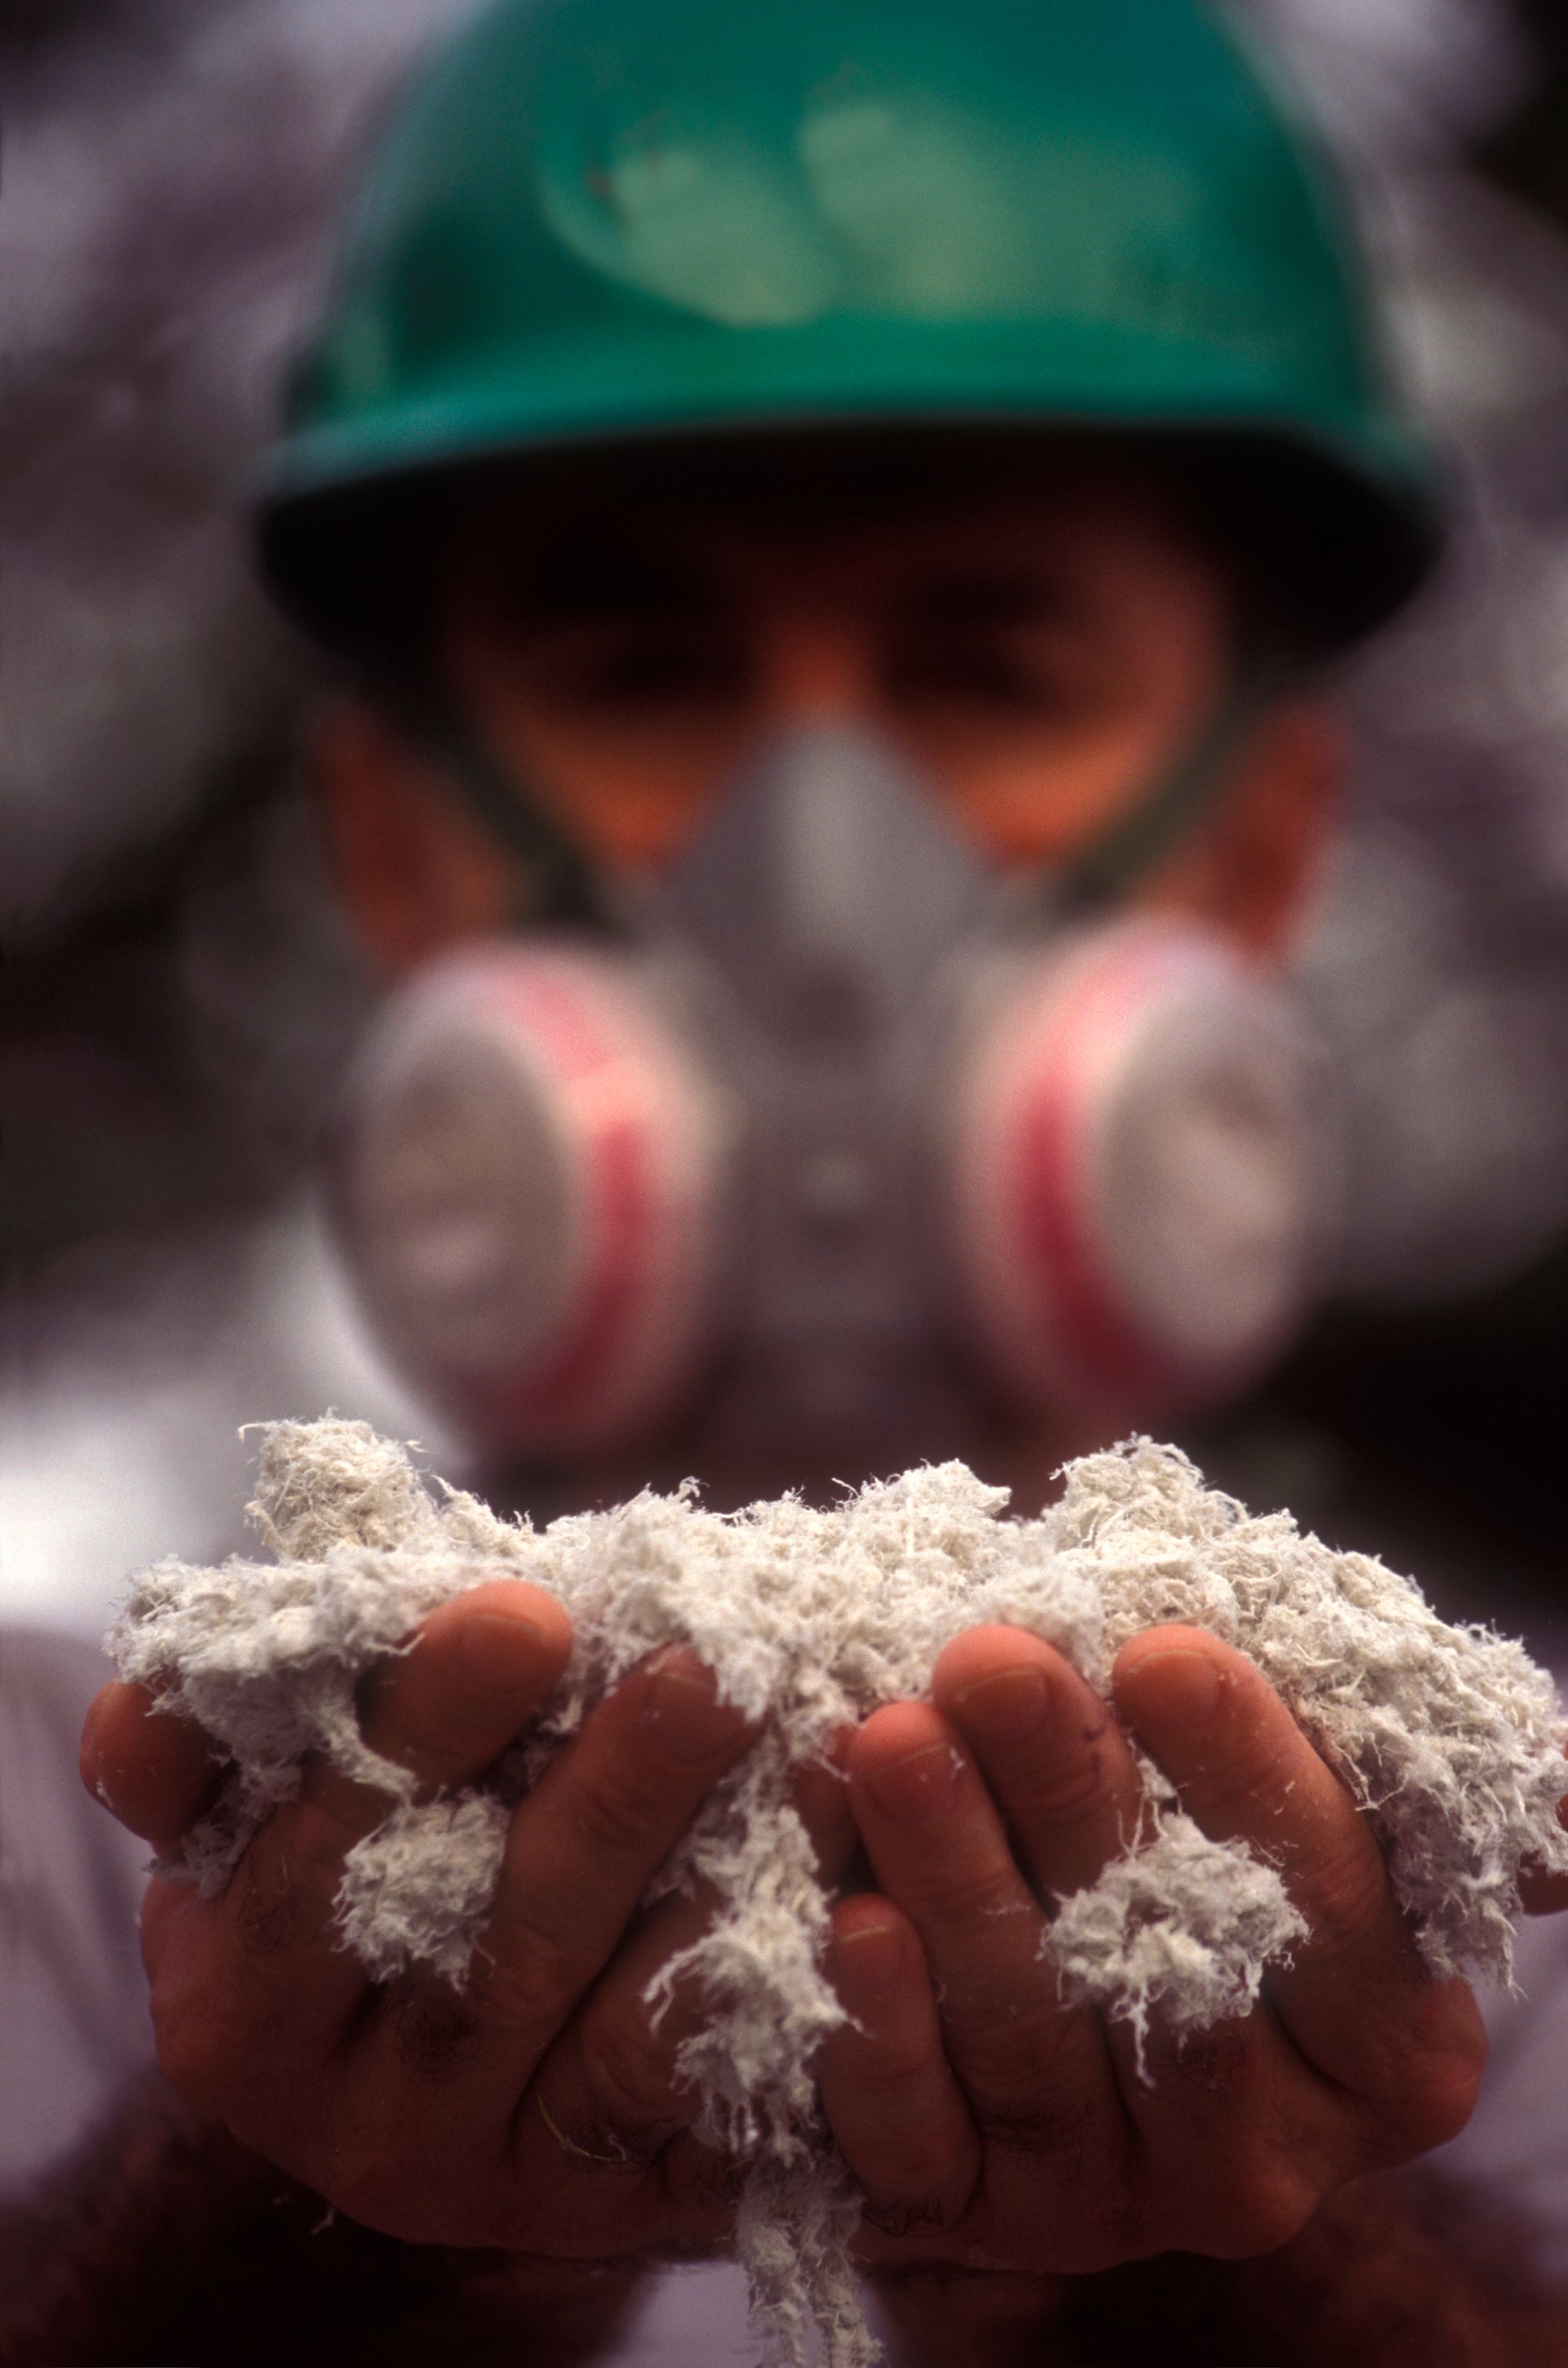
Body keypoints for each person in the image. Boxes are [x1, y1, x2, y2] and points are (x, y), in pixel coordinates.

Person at [6, 0, 1568, 2360]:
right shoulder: (62, 1829)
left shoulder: (1490, 1855)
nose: (819, 857)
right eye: (645, 664)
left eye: (990, 667)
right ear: (397, 842)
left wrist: (1261, 2259)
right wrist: (275, 2230)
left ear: (1257, 844)